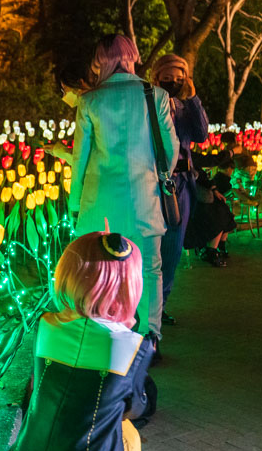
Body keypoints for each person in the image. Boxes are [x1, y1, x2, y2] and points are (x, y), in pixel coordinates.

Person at [3, 231, 150, 451]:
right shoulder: (132, 346)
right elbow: (138, 407)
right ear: (129, 286)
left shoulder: (46, 326)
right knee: (126, 435)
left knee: (51, 416)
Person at [47, 34, 179, 344]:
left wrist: (75, 202)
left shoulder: (91, 100)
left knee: (98, 268)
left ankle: (101, 331)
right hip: (144, 198)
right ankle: (150, 335)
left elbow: (81, 158)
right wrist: (156, 177)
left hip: (100, 202)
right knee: (149, 269)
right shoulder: (155, 95)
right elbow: (170, 149)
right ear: (132, 55)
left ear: (98, 61)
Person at [151, 54, 208, 325]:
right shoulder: (147, 105)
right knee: (150, 247)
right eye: (167, 78)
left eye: (179, 78)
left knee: (172, 249)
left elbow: (202, 134)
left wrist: (193, 98)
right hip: (153, 182)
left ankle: (160, 305)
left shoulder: (186, 108)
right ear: (156, 77)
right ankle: (145, 306)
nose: (173, 83)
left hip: (181, 185)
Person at [185, 154, 238, 266]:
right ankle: (211, 250)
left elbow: (204, 177)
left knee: (225, 212)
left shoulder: (191, 158)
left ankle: (220, 246)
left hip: (205, 197)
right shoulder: (183, 159)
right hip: (193, 201)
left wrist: (214, 190)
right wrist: (231, 152)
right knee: (218, 215)